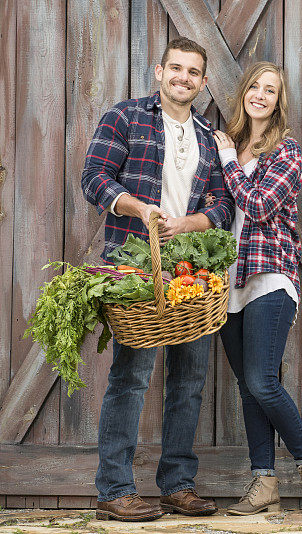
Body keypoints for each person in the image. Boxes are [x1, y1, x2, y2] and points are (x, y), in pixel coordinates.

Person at [81, 37, 234, 522]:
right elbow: (94, 177)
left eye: (193, 72)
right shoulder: (124, 118)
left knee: (190, 378)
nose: (183, 78)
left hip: (192, 273)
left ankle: (177, 485)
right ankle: (114, 490)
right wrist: (140, 208)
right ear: (158, 71)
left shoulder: (210, 136)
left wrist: (183, 225)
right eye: (176, 68)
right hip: (135, 266)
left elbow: (224, 205)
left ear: (203, 82)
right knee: (131, 377)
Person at [210, 61, 302, 515]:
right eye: (255, 87)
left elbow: (259, 207)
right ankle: (264, 482)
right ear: (244, 93)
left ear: (279, 101)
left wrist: (227, 163)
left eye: (271, 90)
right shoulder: (230, 145)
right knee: (247, 386)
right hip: (227, 283)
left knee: (262, 381)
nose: (260, 95)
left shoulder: (287, 151)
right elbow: (215, 207)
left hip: (270, 276)